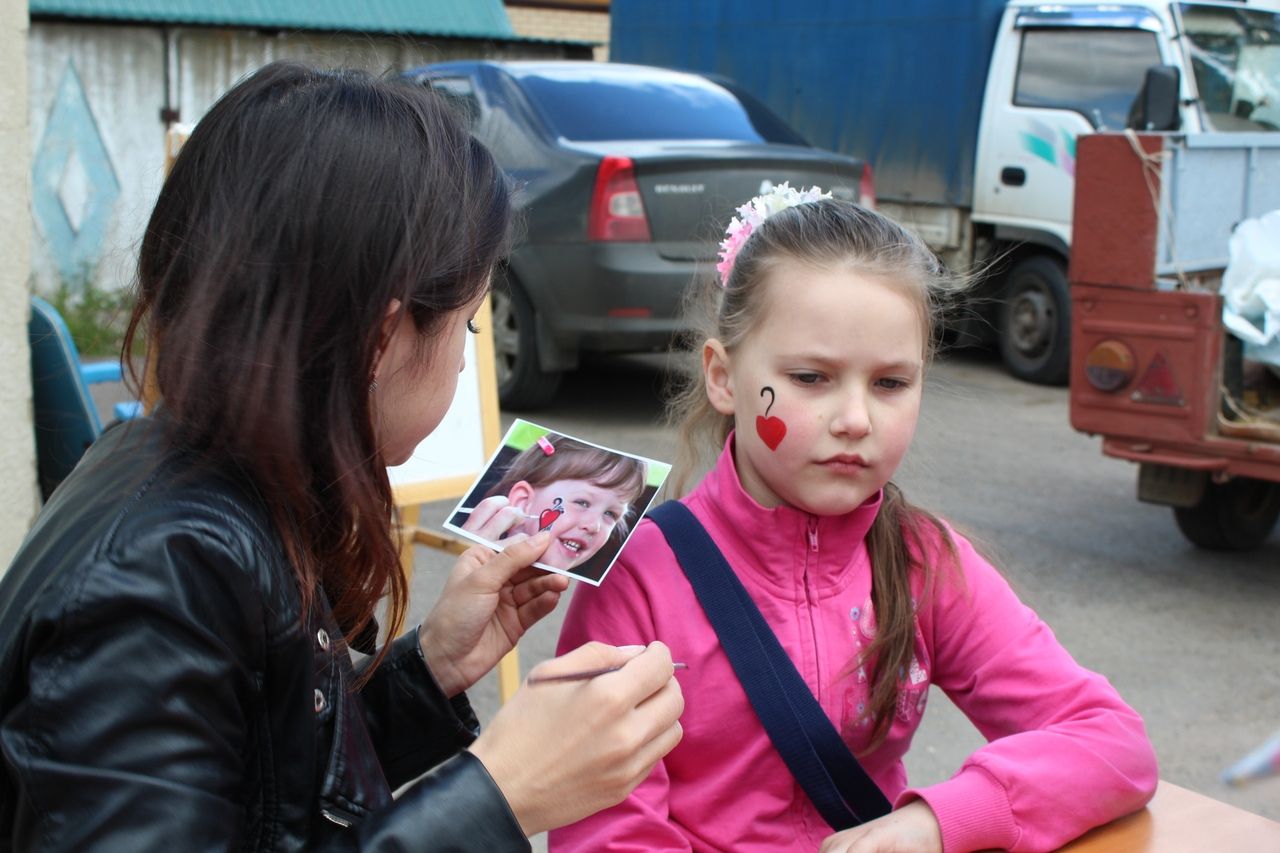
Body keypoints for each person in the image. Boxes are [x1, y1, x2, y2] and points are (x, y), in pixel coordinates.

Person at [0, 61, 683, 851]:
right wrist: (500, 795)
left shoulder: (202, 478)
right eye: (464, 327)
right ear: (380, 339)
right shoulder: (160, 578)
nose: (466, 362)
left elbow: (260, 794)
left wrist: (426, 671)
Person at [551, 186, 1159, 852]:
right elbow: (605, 829)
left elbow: (1111, 741)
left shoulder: (926, 561)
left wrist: (938, 820)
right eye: (812, 377)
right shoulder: (636, 575)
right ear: (723, 377)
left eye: (891, 383)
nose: (856, 419)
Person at [456, 433, 648, 573]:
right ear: (523, 502)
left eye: (610, 514)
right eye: (582, 502)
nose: (594, 526)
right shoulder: (474, 565)